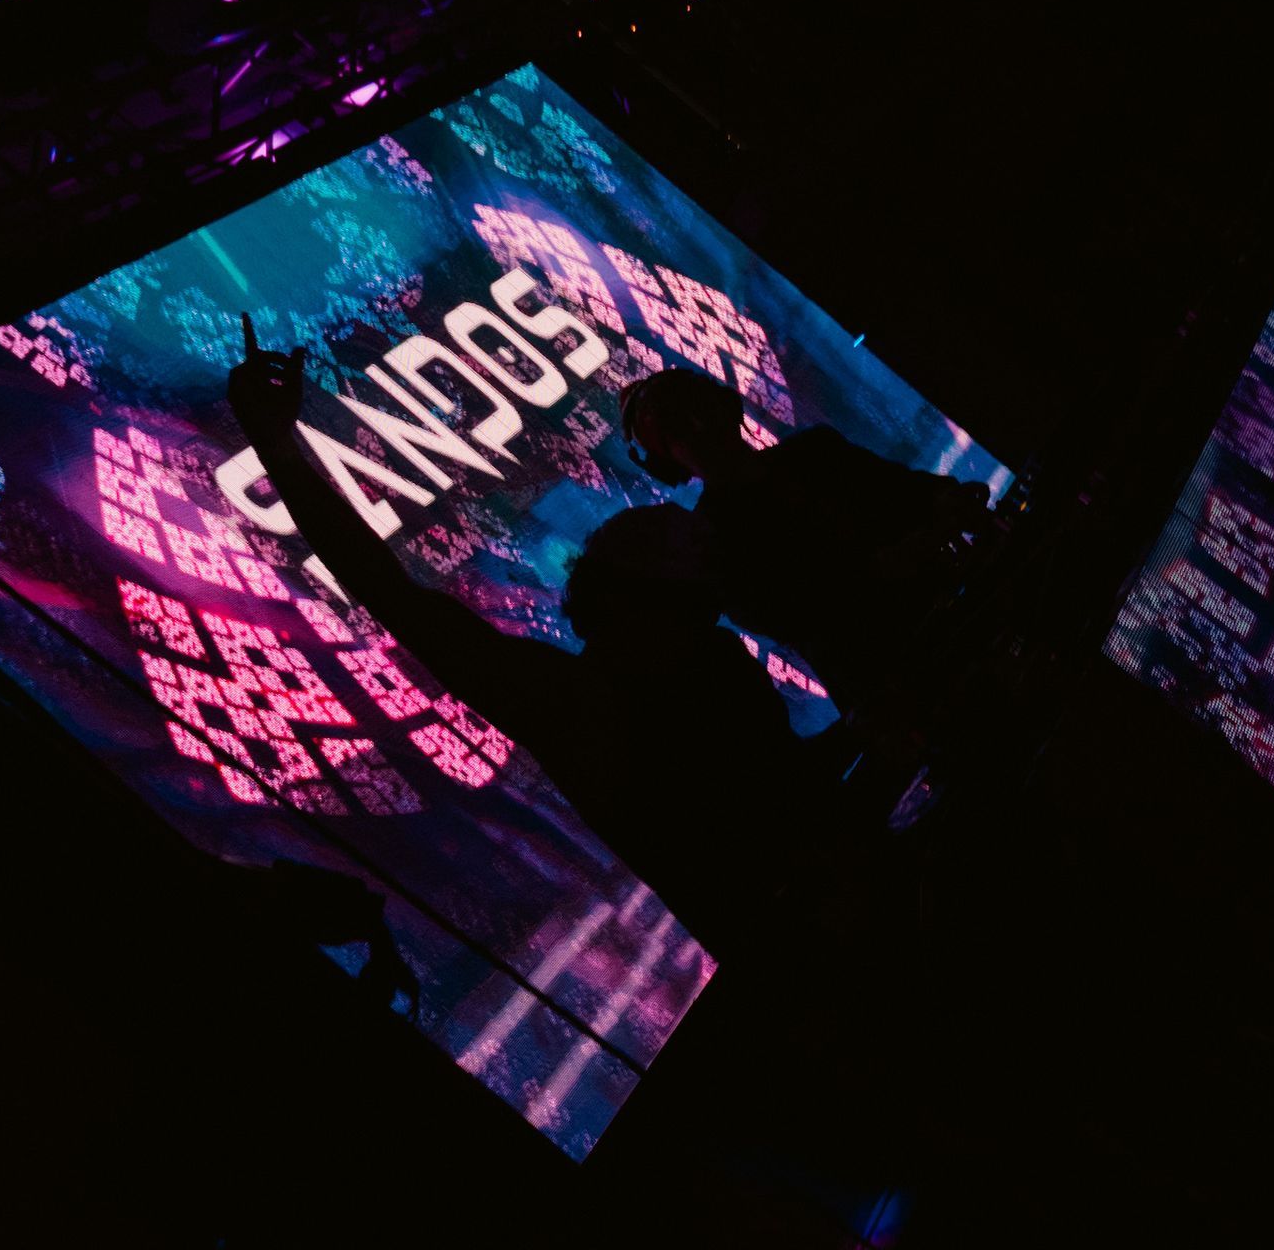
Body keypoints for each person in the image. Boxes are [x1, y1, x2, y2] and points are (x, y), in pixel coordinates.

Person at [227, 320, 859, 956]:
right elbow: (391, 595)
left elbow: (787, 784)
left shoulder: (672, 672)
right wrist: (277, 450)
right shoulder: (579, 700)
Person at [619, 367, 993, 713]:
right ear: (670, 465)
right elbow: (787, 614)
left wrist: (945, 497)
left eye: (698, 409)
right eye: (681, 430)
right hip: (896, 687)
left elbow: (902, 489)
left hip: (964, 615)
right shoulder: (711, 542)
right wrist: (878, 568)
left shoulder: (816, 450)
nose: (700, 426)